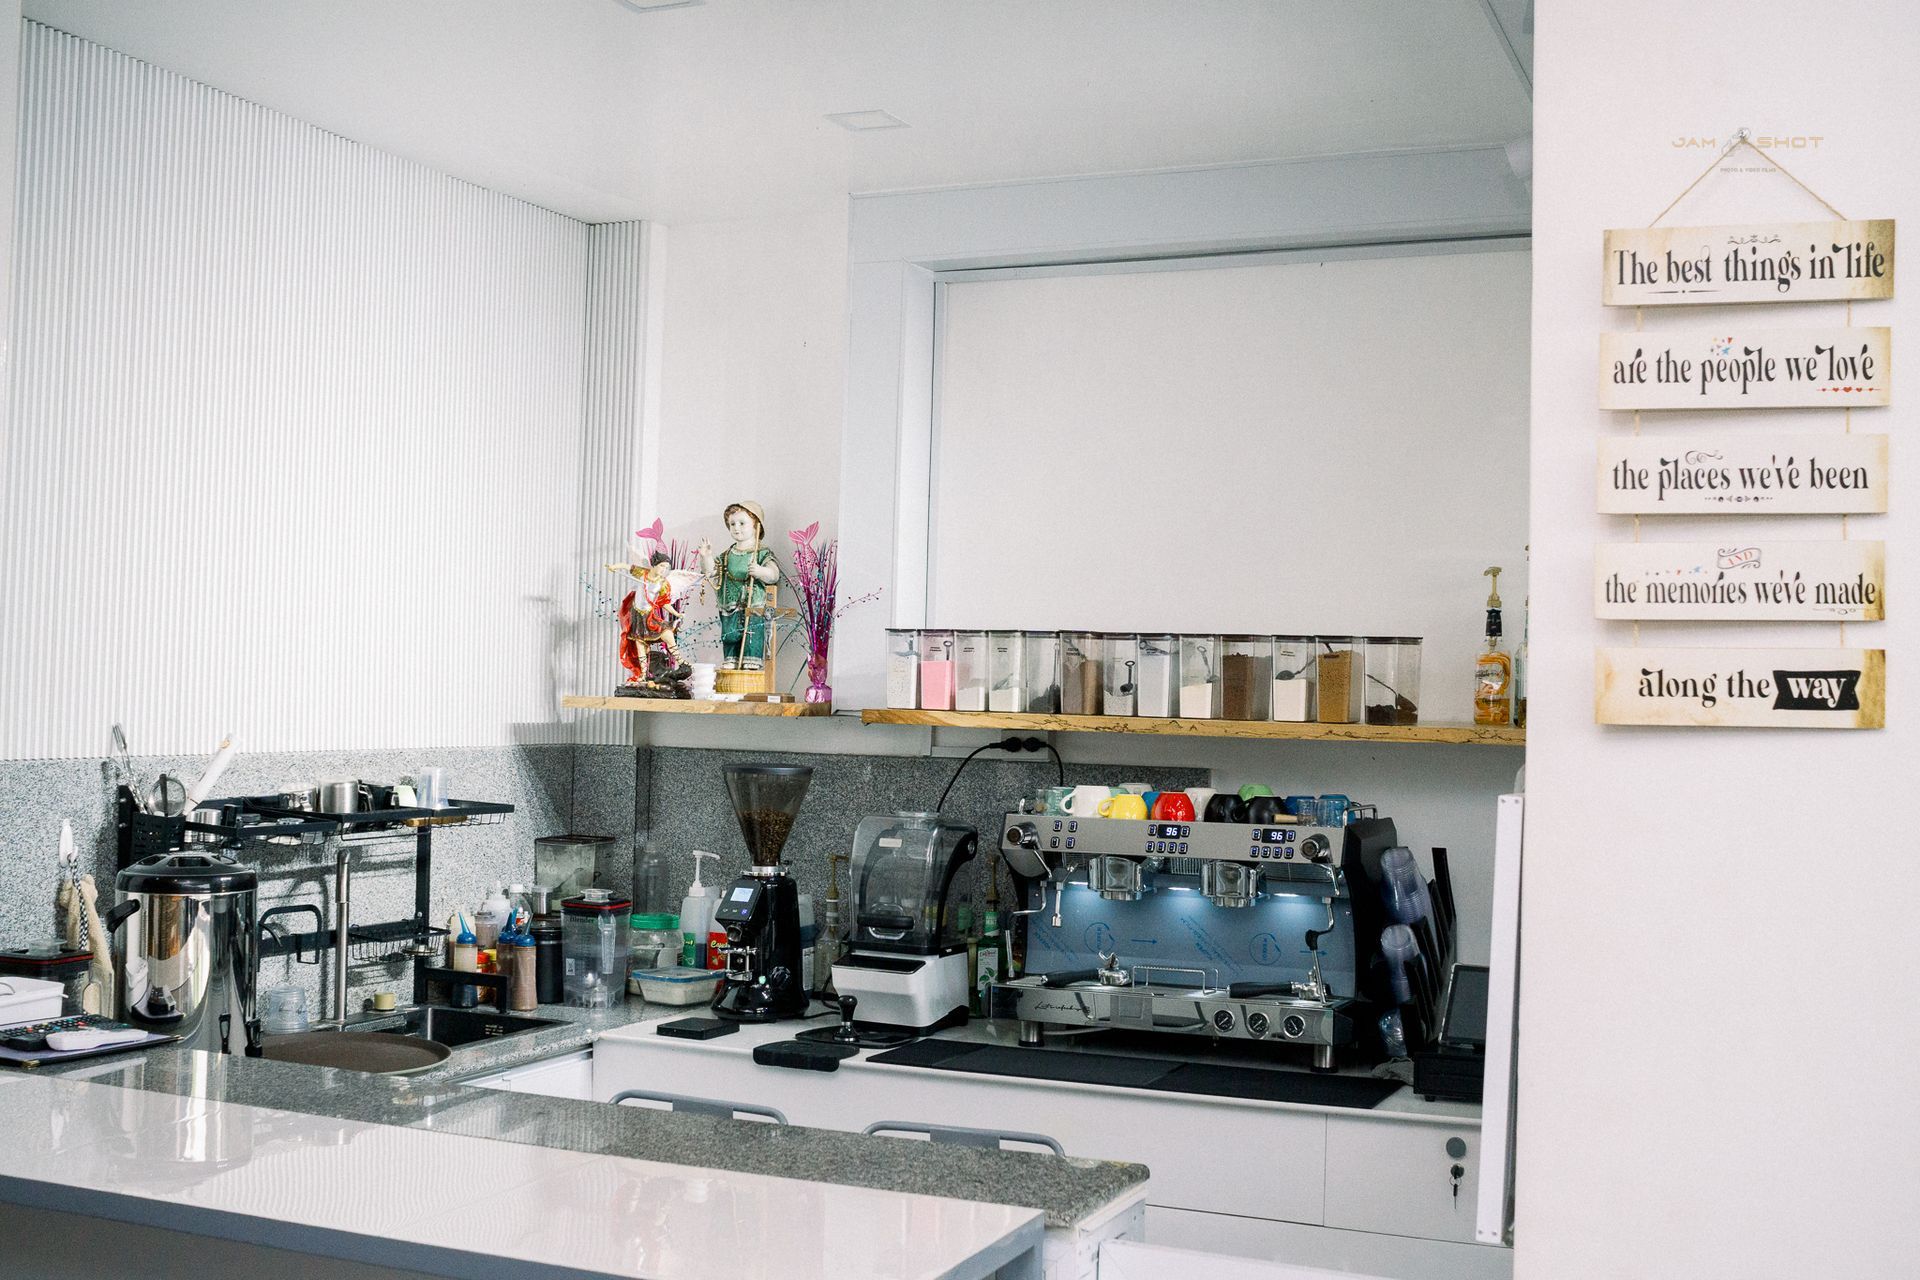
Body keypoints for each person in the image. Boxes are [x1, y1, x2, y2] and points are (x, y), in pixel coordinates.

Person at [697, 501, 781, 670]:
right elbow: (711, 572)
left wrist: (760, 571)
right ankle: (731, 658)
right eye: (732, 524)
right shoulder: (728, 555)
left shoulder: (761, 553)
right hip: (730, 604)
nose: (736, 528)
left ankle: (751, 661)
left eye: (742, 523)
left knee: (752, 634)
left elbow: (774, 575)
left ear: (756, 526)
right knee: (730, 635)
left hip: (753, 604)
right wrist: (706, 557)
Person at [606, 552, 693, 686]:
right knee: (640, 643)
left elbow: (664, 603)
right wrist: (614, 567)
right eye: (661, 566)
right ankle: (643, 673)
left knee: (667, 633)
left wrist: (677, 613)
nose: (663, 570)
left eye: (666, 567)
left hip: (649, 615)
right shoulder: (642, 574)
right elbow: (626, 566)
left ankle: (681, 662)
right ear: (654, 565)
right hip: (636, 615)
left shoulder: (663, 584)